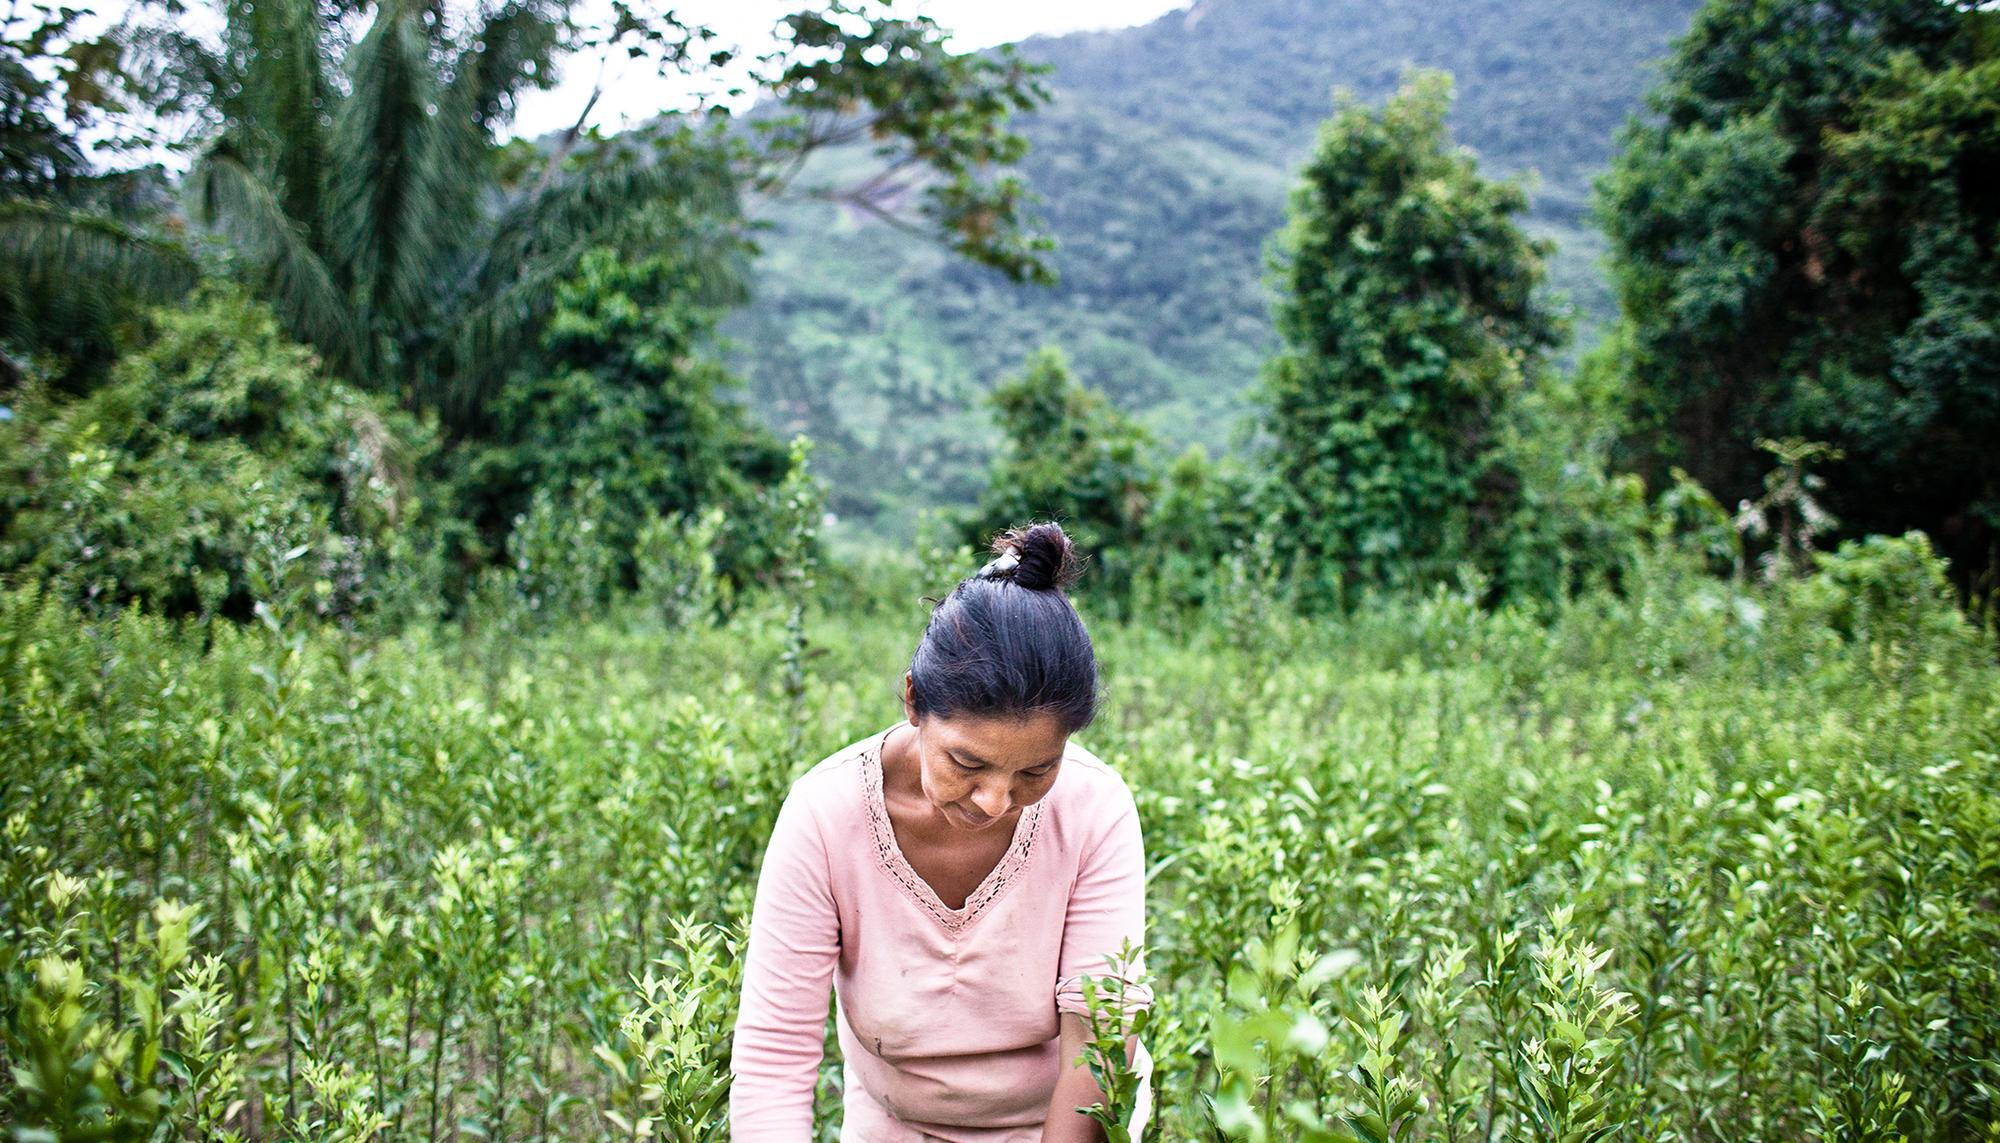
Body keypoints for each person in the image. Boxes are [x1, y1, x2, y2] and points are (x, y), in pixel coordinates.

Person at [729, 521, 1153, 1141]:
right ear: (912, 703)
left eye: (1037, 770)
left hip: (1059, 1125)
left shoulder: (1095, 809)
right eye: (967, 763)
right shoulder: (826, 816)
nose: (995, 801)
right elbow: (774, 1060)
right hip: (895, 1122)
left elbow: (1098, 1050)